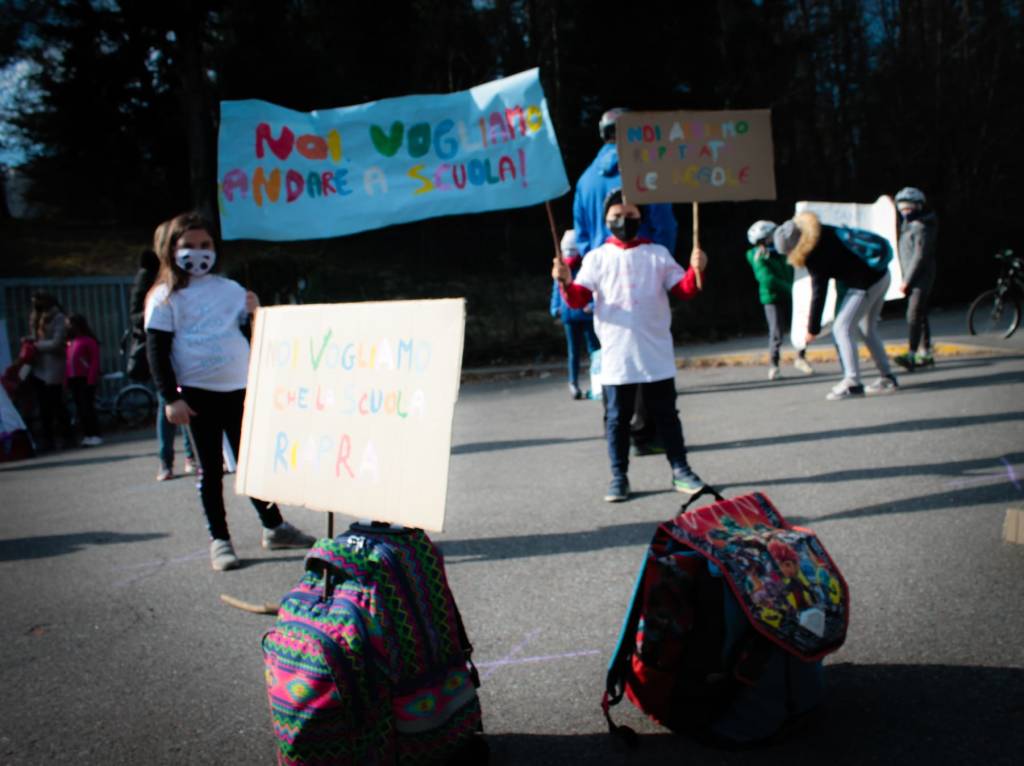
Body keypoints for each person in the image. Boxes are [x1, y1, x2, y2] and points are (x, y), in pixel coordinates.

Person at [145, 211, 315, 571]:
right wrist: (170, 398)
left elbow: (253, 336)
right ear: (170, 249)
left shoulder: (231, 290)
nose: (198, 252)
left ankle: (274, 527)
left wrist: (255, 314)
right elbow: (157, 351)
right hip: (196, 395)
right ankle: (220, 540)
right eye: (188, 246)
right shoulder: (164, 297)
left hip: (241, 391)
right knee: (209, 470)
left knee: (252, 466)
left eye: (205, 245)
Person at [553, 189, 707, 503]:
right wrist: (565, 280)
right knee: (616, 420)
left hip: (655, 353)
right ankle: (618, 476)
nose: (624, 221)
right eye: (617, 217)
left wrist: (697, 268)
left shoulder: (658, 254)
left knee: (666, 415)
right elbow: (578, 298)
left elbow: (686, 289)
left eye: (631, 215)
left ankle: (681, 469)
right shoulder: (596, 258)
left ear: (642, 217)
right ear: (606, 220)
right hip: (616, 356)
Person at [572, 108, 679, 454]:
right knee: (649, 354)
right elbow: (664, 225)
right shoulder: (647, 172)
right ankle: (648, 434)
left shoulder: (587, 180)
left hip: (601, 276)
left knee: (614, 355)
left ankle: (623, 430)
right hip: (644, 273)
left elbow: (583, 234)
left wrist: (592, 274)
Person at [773, 212, 898, 400]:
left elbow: (819, 293)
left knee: (842, 328)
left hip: (864, 284)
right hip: (881, 274)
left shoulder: (813, 252)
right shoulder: (822, 230)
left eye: (787, 252)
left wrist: (812, 329)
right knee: (866, 329)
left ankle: (853, 383)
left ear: (794, 246)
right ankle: (887, 378)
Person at [130, 224, 196, 480]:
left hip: (190, 349)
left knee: (190, 403)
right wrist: (161, 318)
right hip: (161, 349)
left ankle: (192, 457)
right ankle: (166, 461)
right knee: (166, 405)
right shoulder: (149, 274)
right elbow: (136, 314)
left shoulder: (189, 272)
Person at [745, 220, 814, 380]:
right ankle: (774, 365)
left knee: (802, 326)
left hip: (791, 294)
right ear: (764, 239)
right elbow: (767, 279)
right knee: (776, 332)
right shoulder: (757, 256)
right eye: (771, 237)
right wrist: (792, 289)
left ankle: (801, 357)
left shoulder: (783, 251)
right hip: (772, 298)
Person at [891, 186, 939, 372]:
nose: (905, 211)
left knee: (913, 314)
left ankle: (912, 353)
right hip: (911, 277)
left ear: (919, 206)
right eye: (901, 208)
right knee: (919, 314)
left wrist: (906, 281)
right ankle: (925, 352)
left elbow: (920, 256)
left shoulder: (922, 227)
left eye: (909, 207)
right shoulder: (908, 224)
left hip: (920, 277)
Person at [550, 229, 600, 399]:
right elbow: (557, 290)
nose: (570, 254)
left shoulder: (586, 266)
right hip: (569, 317)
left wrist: (592, 305)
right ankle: (573, 383)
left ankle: (598, 382)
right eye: (567, 251)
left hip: (586, 315)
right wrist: (555, 307)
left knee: (594, 350)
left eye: (572, 250)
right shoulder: (562, 269)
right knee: (574, 352)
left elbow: (593, 288)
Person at [23, 292, 72, 451]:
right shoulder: (36, 317)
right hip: (38, 367)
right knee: (43, 408)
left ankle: (67, 436)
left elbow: (58, 342)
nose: (36, 305)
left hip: (53, 367)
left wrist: (36, 346)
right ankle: (47, 440)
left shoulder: (58, 318)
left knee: (57, 405)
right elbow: (36, 337)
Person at [65, 313, 103, 446]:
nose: (68, 327)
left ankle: (95, 434)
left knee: (88, 408)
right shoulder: (70, 343)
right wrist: (66, 380)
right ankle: (87, 434)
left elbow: (94, 362)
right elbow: (68, 362)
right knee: (80, 409)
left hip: (85, 379)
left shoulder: (88, 341)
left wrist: (91, 379)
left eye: (70, 324)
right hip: (73, 379)